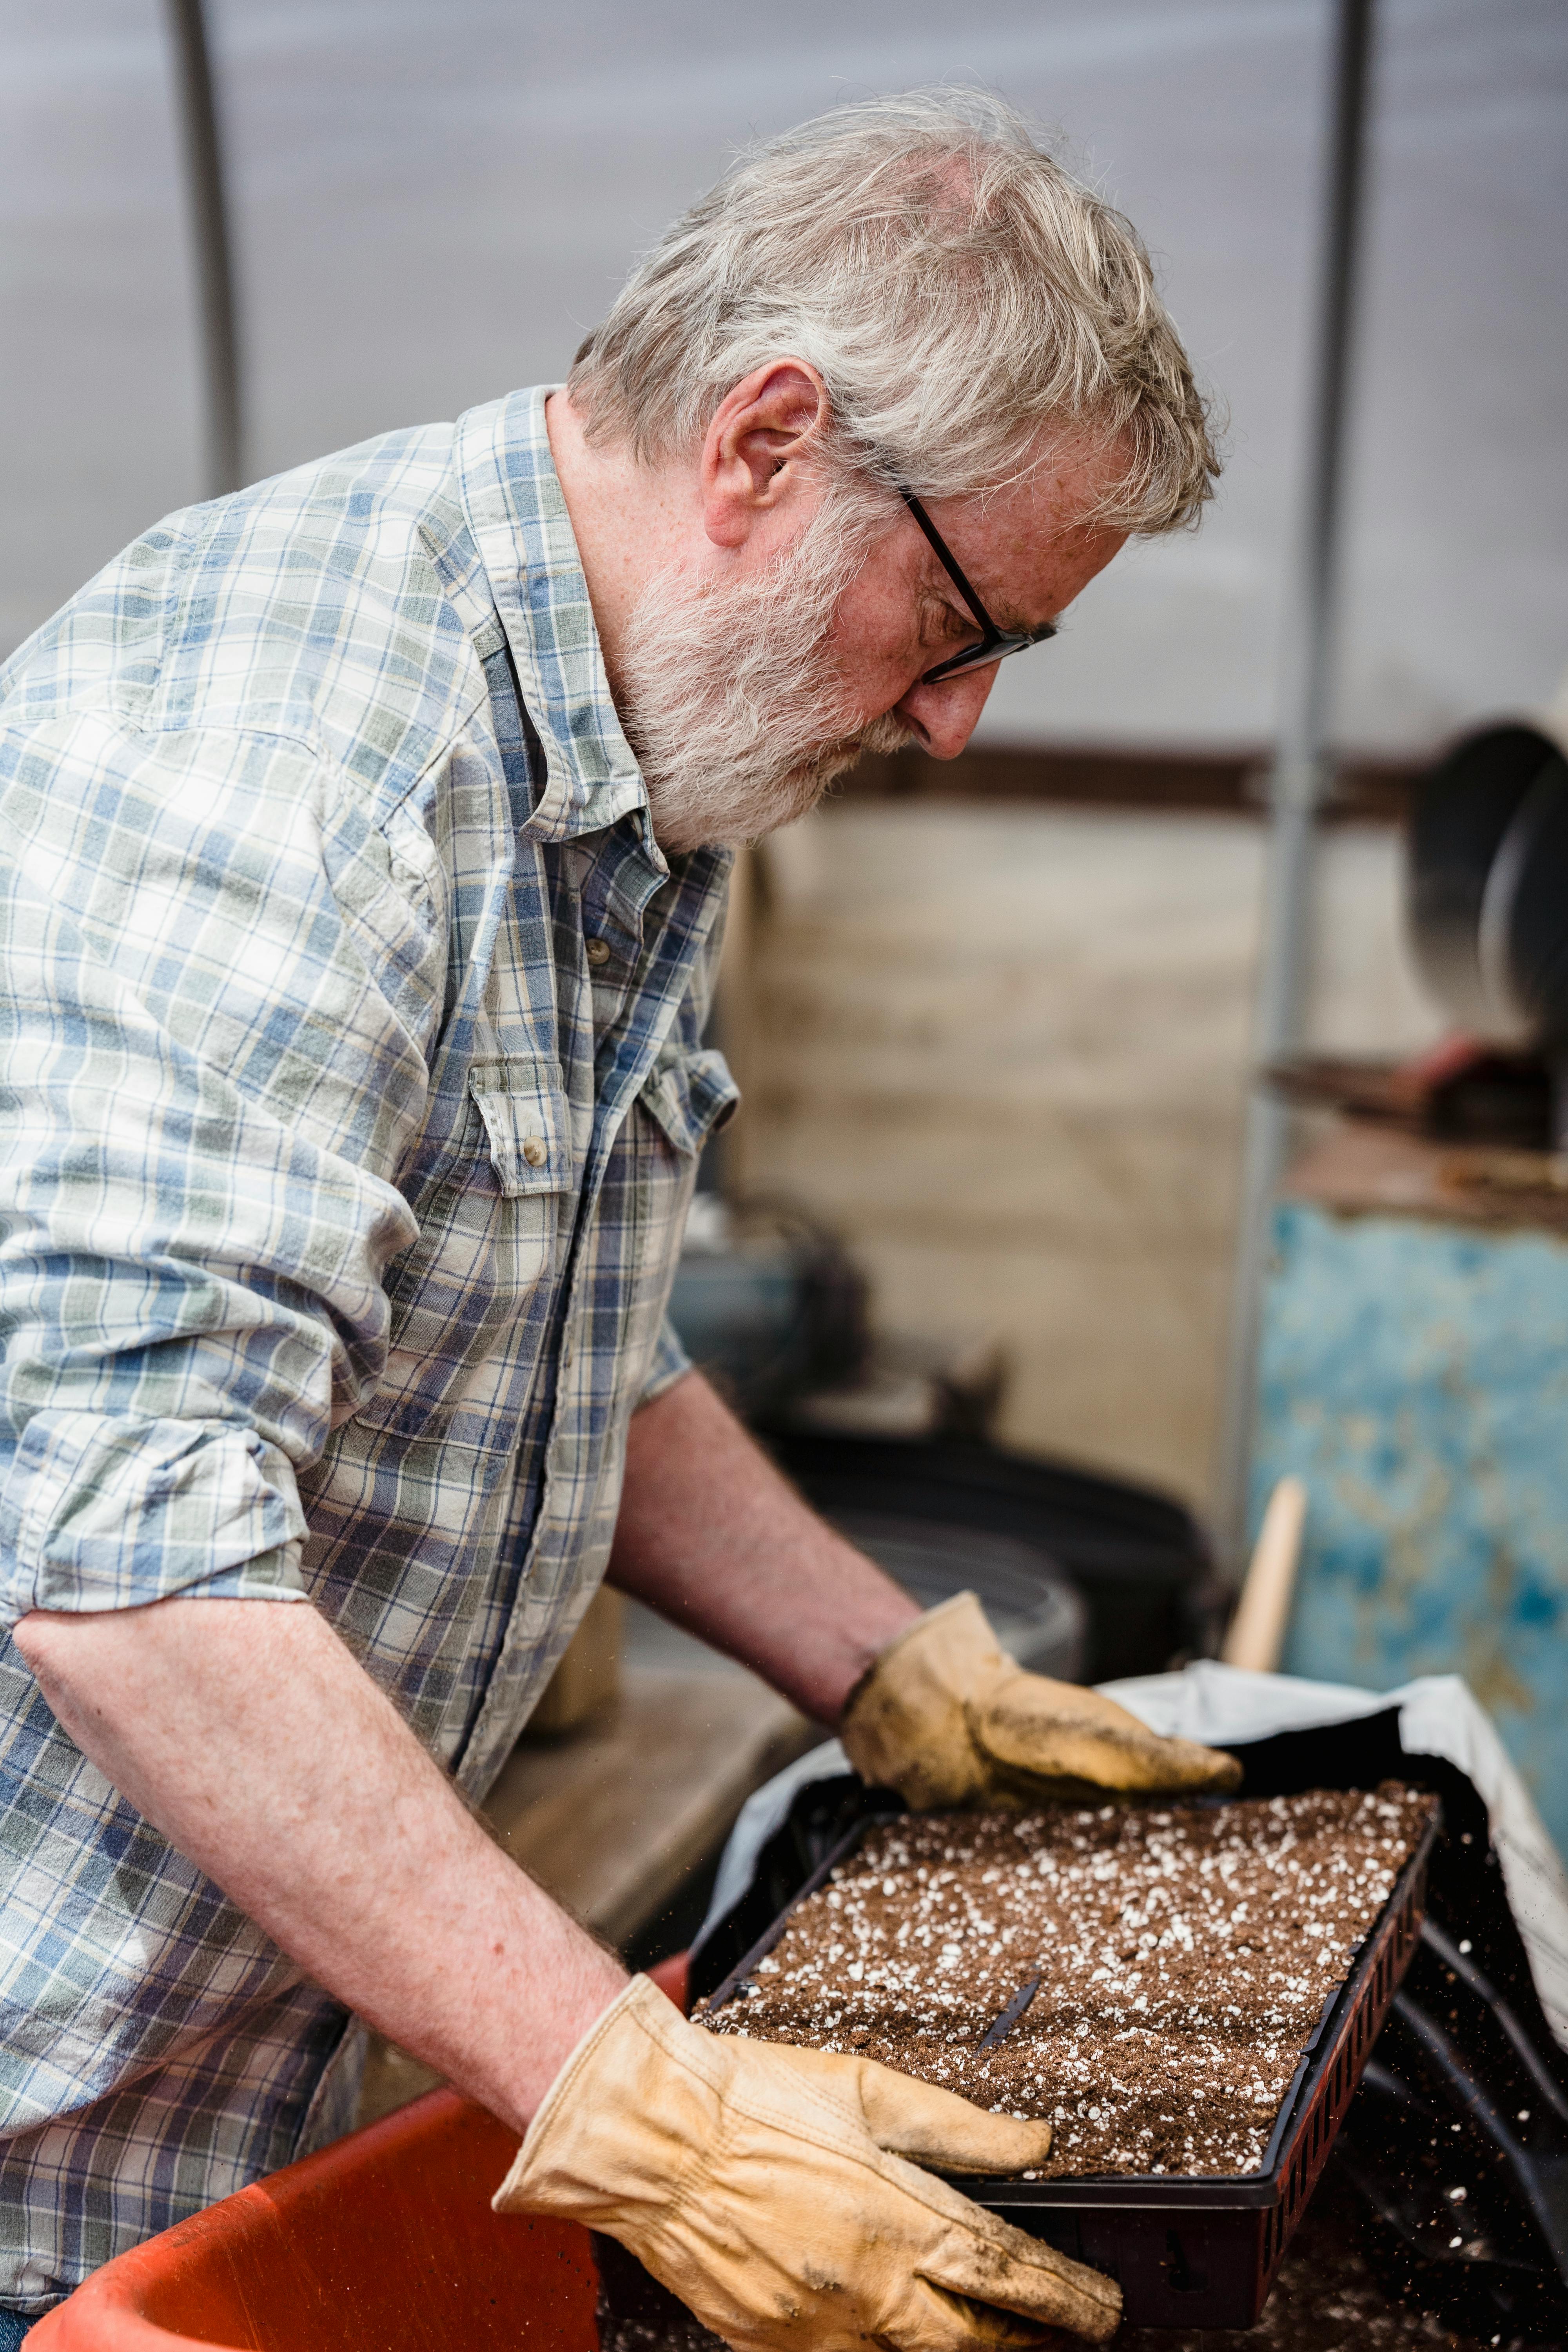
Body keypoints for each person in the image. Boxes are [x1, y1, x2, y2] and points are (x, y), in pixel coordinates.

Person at [0, 89, 1234, 2350]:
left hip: (214, 2101)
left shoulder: (649, 756)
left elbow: (560, 1315)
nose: (958, 722)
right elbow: (123, 1551)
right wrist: (635, 2104)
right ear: (766, 445)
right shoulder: (297, 763)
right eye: (967, 623)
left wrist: (890, 1672)